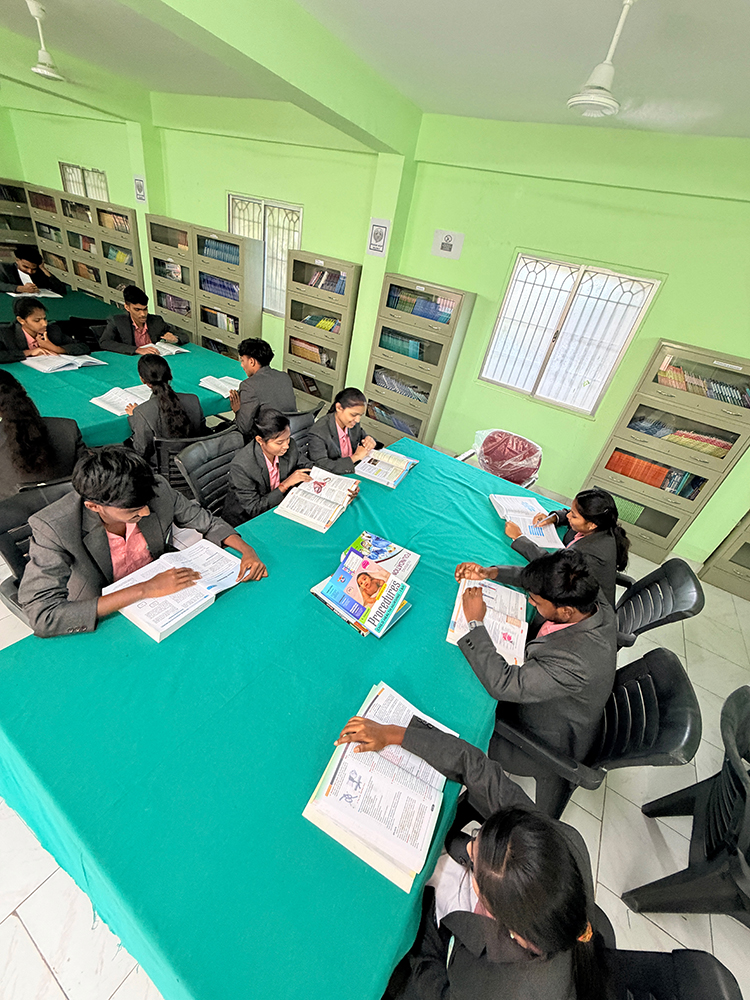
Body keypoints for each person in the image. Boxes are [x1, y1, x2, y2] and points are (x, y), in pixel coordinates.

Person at [334, 716, 609, 1000]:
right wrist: (395, 735)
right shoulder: (559, 842)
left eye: (474, 863)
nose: (468, 850)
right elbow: (477, 770)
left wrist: (418, 916)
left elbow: (434, 983)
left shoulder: (493, 989)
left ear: (492, 913)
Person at [18, 445, 267, 638]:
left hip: (163, 598)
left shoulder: (156, 489)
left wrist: (246, 550)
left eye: (146, 504)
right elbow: (43, 615)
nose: (146, 513)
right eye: (133, 510)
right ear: (94, 507)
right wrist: (145, 589)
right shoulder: (54, 527)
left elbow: (207, 522)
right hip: (105, 613)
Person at [455, 548, 616, 777]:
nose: (530, 601)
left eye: (537, 602)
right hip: (552, 689)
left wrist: (475, 623)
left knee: (462, 706)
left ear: (566, 611)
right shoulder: (586, 594)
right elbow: (541, 582)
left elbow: (503, 684)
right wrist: (489, 573)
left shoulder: (576, 661)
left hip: (542, 736)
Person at [459, 488, 629, 607]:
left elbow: (549, 567)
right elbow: (569, 514)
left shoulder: (587, 555)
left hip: (582, 606)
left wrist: (519, 538)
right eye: (571, 511)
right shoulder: (603, 527)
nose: (569, 515)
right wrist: (555, 517)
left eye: (574, 516)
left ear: (591, 524)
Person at [0, 371, 85, 500]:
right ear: (22, 390)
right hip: (66, 504)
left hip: (11, 510)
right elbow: (87, 473)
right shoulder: (68, 428)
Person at [223, 408, 311, 525]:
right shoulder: (242, 466)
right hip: (248, 520)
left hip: (279, 506)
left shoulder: (290, 446)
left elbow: (307, 466)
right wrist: (285, 485)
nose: (286, 445)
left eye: (288, 438)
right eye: (279, 442)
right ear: (260, 440)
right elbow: (255, 509)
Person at [125, 354, 206, 463]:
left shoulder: (142, 412)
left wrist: (134, 417)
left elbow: (141, 451)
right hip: (196, 463)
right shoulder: (193, 400)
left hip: (163, 468)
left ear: (143, 380)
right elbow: (203, 432)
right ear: (170, 374)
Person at [229, 339, 296, 439]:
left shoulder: (249, 385)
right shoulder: (284, 376)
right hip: (290, 431)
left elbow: (243, 428)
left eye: (242, 360)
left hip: (267, 437)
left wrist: (237, 410)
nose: (242, 365)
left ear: (251, 361)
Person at [307, 387, 382, 475]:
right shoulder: (318, 432)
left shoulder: (352, 423)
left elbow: (363, 437)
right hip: (334, 475)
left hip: (354, 469)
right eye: (353, 415)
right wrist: (355, 458)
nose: (357, 420)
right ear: (339, 408)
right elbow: (320, 466)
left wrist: (371, 440)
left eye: (360, 415)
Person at [99, 285, 187, 355]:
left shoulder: (156, 321)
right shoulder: (118, 322)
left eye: (145, 309)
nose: (143, 314)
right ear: (127, 307)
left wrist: (176, 339)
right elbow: (104, 342)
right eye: (137, 310)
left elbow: (184, 336)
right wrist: (137, 350)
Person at [0, 297, 87, 364]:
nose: (44, 324)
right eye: (37, 320)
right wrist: (28, 352)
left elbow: (83, 347)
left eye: (44, 318)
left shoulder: (53, 331)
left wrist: (56, 348)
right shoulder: (6, 334)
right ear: (21, 320)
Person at [0, 244, 68, 295]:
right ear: (17, 260)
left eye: (33, 269)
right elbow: (1, 285)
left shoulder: (39, 272)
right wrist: (20, 288)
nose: (30, 271)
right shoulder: (5, 269)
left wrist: (43, 269)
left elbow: (61, 289)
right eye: (26, 267)